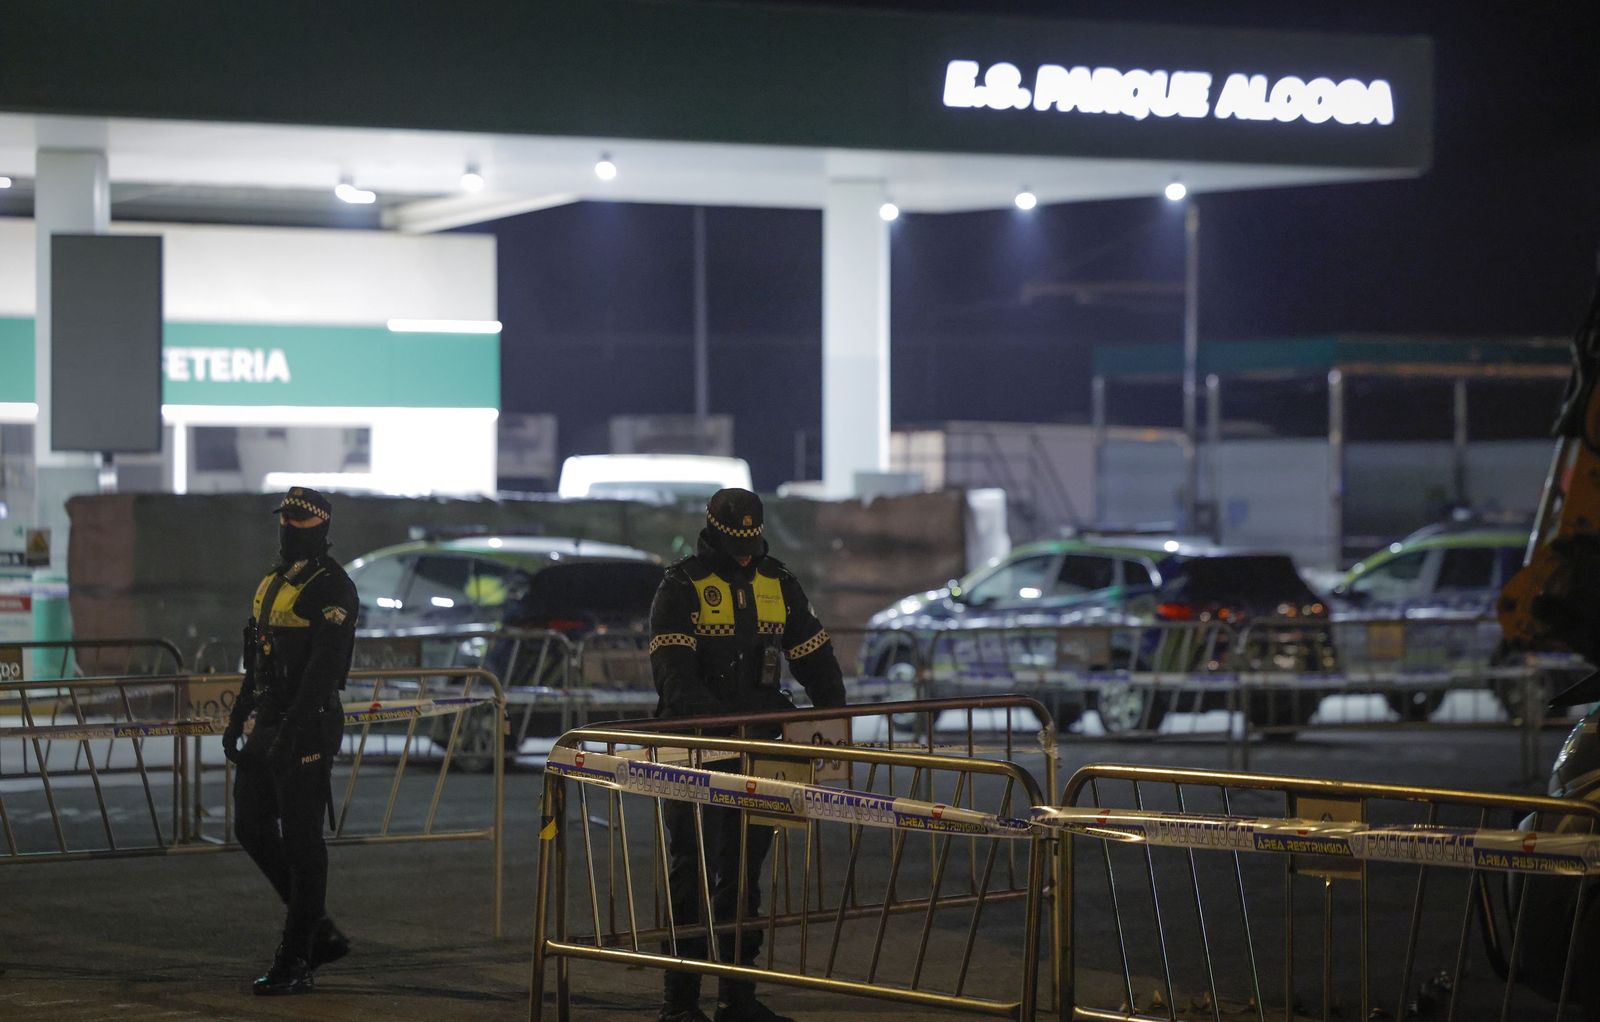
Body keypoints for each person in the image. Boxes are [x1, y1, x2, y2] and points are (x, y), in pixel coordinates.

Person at [648, 487, 846, 1022]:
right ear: (713, 534)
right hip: (694, 750)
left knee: (742, 877)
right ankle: (680, 1004)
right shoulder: (682, 585)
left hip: (757, 752)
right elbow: (674, 678)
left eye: (750, 547)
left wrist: (832, 718)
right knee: (690, 872)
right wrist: (725, 731)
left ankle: (737, 999)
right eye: (735, 547)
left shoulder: (777, 581)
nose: (743, 557)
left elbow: (815, 657)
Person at [222, 486, 359, 995]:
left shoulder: (334, 587)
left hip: (308, 725)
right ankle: (316, 930)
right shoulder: (273, 581)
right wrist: (239, 716)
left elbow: (322, 672)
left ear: (320, 527)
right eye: (285, 520)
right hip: (270, 721)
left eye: (299, 522)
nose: (287, 528)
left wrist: (292, 732)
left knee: (303, 845)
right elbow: (257, 657)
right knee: (250, 825)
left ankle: (297, 958)